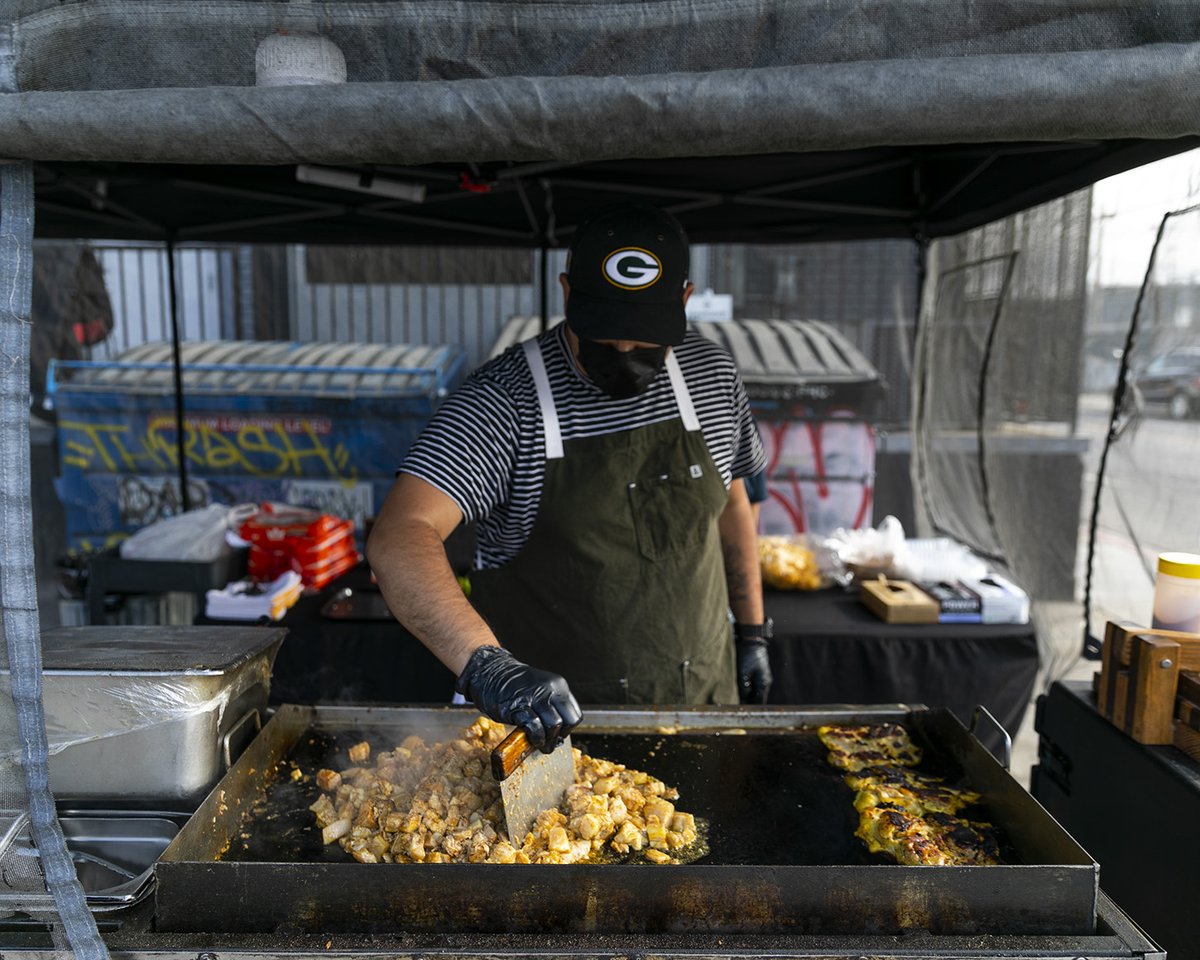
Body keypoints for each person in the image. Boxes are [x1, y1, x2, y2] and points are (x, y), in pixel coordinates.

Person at [367, 204, 770, 750]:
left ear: (682, 300)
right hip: (545, 736)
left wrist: (752, 633)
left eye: (644, 337)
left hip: (700, 705)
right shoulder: (502, 401)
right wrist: (488, 668)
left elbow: (734, 505)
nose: (624, 352)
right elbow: (399, 535)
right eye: (604, 335)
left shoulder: (713, 378)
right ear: (566, 293)